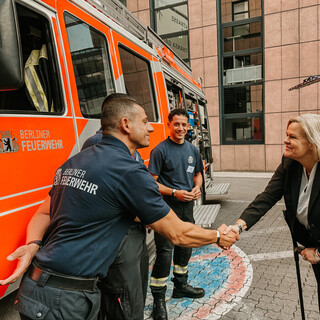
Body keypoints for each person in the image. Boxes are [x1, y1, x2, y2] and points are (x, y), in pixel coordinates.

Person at [0, 95, 238, 320]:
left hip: (35, 289)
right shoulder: (129, 171)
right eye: (145, 121)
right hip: (65, 300)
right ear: (126, 124)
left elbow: (43, 212)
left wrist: (32, 244)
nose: (151, 128)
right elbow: (178, 232)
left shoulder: (74, 160)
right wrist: (218, 235)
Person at [224, 114, 320, 320]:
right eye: (287, 135)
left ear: (314, 142)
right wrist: (239, 226)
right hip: (319, 247)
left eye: (293, 137)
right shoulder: (290, 162)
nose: (286, 140)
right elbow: (267, 196)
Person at [81, 93, 149, 320]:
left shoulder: (128, 146)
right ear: (123, 120)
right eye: (144, 121)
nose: (148, 127)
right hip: (120, 236)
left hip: (135, 233)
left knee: (136, 292)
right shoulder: (98, 144)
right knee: (123, 300)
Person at [148, 108, 204, 320]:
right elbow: (151, 182)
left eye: (184, 124)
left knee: (185, 247)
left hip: (186, 207)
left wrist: (197, 188)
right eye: (176, 124)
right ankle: (159, 301)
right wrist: (174, 192)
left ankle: (180, 286)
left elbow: (198, 174)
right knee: (164, 253)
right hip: (165, 208)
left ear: (188, 126)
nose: (180, 128)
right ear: (169, 125)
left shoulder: (193, 150)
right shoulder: (160, 150)